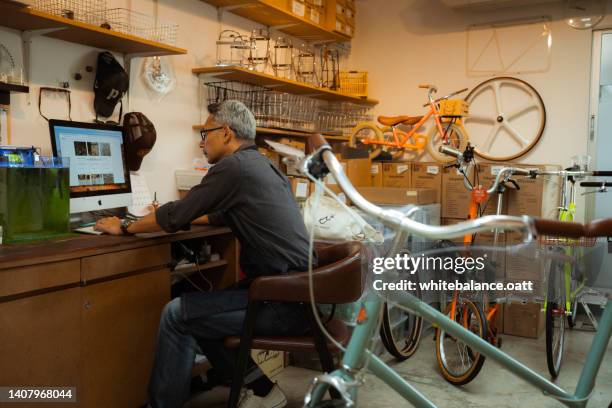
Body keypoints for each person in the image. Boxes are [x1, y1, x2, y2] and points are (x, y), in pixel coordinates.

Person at [94, 100, 315, 408]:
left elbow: (175, 217)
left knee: (177, 314)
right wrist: (178, 213)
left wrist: (126, 226)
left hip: (281, 302)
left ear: (225, 133)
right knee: (197, 311)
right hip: (299, 297)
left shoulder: (232, 167)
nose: (201, 141)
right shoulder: (262, 164)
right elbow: (222, 215)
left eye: (205, 133)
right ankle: (263, 391)